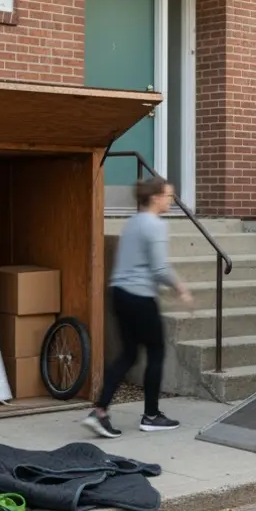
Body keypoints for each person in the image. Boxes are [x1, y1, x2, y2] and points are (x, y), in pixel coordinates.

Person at [83, 176, 191, 438]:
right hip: (140, 298)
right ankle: (151, 416)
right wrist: (181, 288)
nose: (171, 200)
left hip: (119, 294)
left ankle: (99, 411)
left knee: (128, 355)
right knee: (156, 350)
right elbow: (160, 267)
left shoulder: (131, 223)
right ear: (155, 198)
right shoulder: (154, 225)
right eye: (168, 196)